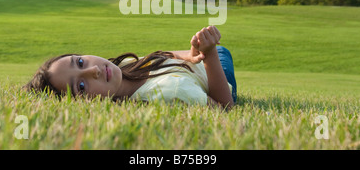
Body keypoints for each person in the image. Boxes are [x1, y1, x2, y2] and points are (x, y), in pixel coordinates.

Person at [24, 26, 237, 108]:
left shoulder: (124, 67)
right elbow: (225, 107)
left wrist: (192, 55)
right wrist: (209, 55)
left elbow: (164, 57)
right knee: (223, 51)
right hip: (220, 71)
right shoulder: (170, 94)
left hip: (205, 59)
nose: (94, 71)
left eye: (80, 62)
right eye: (81, 85)